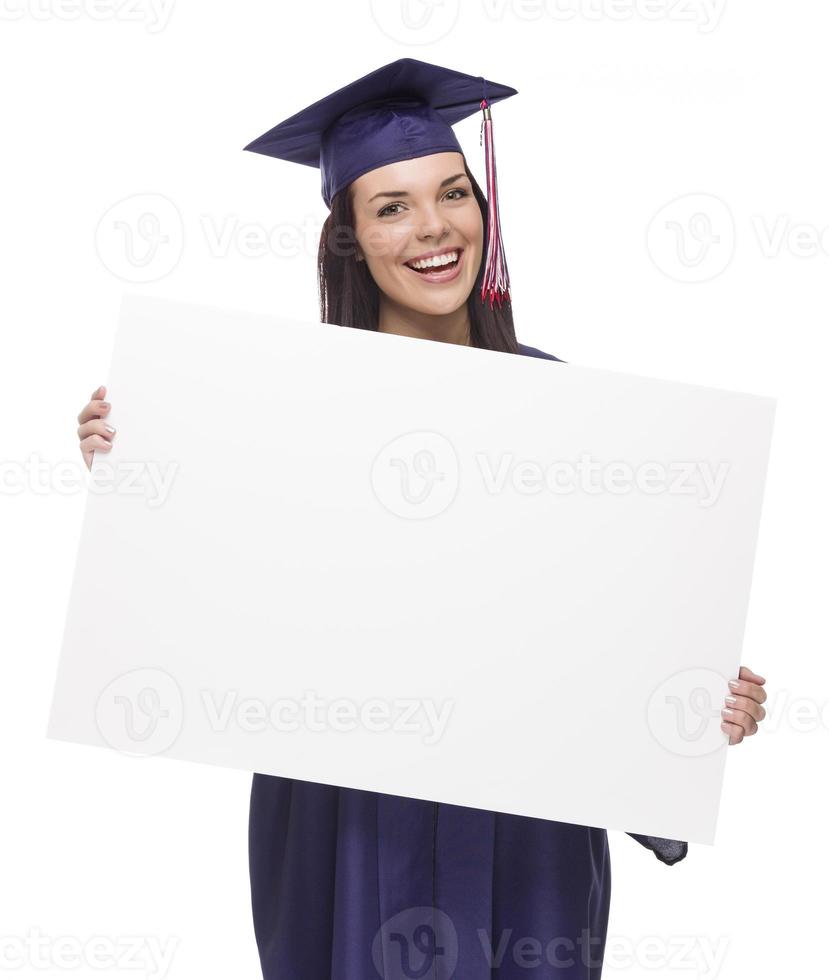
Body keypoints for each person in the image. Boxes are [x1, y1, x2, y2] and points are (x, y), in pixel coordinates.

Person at [75, 58, 768, 980]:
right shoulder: (270, 414)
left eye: (452, 195)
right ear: (350, 241)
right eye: (391, 206)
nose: (433, 227)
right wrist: (139, 476)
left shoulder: (574, 415)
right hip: (343, 808)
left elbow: (619, 634)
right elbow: (207, 610)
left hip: (526, 819)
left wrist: (697, 706)